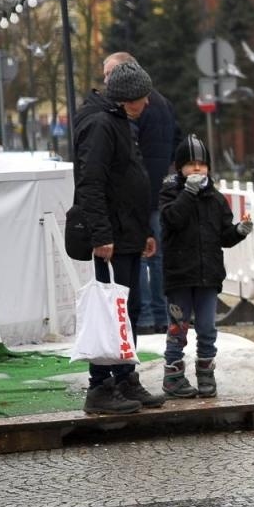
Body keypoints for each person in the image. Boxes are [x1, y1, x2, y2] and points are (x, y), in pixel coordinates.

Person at [72, 58, 164, 415]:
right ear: (128, 98)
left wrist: (142, 233)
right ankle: (100, 386)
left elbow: (129, 181)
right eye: (143, 97)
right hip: (111, 238)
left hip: (127, 234)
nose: (148, 103)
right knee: (111, 312)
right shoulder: (100, 125)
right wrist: (101, 234)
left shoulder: (118, 120)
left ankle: (126, 378)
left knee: (129, 311)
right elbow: (91, 183)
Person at [158, 135, 253, 399]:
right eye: (190, 164)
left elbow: (224, 236)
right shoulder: (170, 193)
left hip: (208, 275)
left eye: (201, 163)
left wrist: (240, 230)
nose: (197, 169)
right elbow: (172, 220)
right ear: (179, 168)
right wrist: (188, 193)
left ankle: (206, 373)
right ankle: (173, 376)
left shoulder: (216, 199)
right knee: (178, 327)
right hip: (179, 275)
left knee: (208, 329)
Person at [104, 52, 181, 336]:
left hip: (143, 194)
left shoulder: (138, 108)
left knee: (143, 255)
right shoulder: (164, 103)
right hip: (161, 189)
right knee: (157, 256)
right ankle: (161, 312)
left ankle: (148, 315)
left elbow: (135, 156)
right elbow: (176, 142)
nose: (107, 81)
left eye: (109, 75)